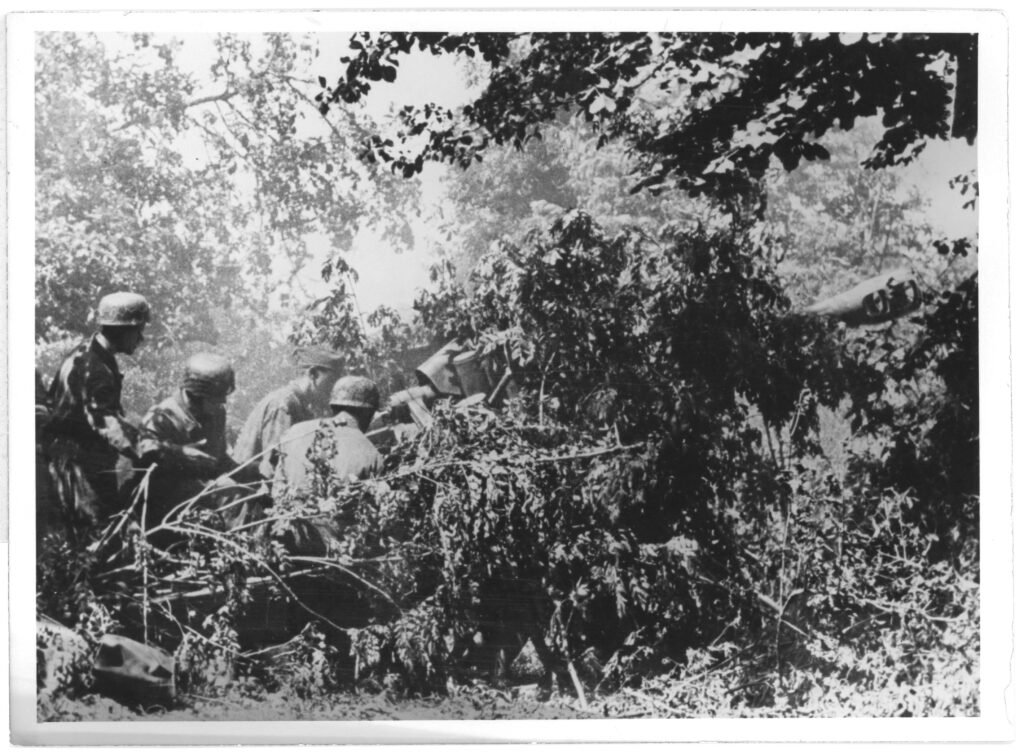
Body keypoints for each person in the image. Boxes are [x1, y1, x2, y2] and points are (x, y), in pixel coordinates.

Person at [44, 292, 150, 540]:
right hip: (79, 464)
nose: (141, 338)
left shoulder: (84, 353)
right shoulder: (96, 368)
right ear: (123, 331)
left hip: (67, 457)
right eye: (138, 330)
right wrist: (148, 447)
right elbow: (105, 423)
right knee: (96, 537)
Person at [271, 375, 382, 556]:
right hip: (332, 555)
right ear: (369, 413)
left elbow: (276, 488)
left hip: (286, 544)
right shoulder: (372, 455)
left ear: (334, 406)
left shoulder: (295, 432)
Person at [135, 353, 238, 541]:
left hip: (205, 509)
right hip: (167, 518)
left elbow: (220, 461)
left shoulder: (216, 413)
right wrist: (179, 455)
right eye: (216, 398)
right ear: (196, 395)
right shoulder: (162, 418)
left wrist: (252, 472)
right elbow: (144, 463)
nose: (222, 403)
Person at [232, 347, 345, 482]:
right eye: (332, 381)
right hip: (249, 494)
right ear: (313, 374)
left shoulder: (299, 405)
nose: (334, 388)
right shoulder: (284, 405)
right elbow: (274, 466)